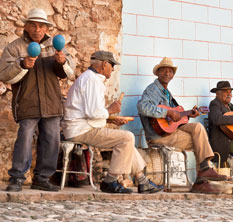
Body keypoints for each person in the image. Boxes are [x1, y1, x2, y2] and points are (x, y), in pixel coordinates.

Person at [63, 51, 161, 194]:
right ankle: (110, 180)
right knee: (127, 138)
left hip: (82, 127)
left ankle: (142, 180)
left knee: (126, 141)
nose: (113, 69)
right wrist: (110, 110)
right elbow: (93, 113)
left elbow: (89, 112)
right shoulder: (92, 80)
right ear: (104, 64)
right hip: (81, 130)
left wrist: (111, 119)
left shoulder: (90, 78)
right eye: (112, 65)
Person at [0, 8, 75, 192]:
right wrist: (21, 65)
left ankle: (42, 178)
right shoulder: (15, 47)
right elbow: (4, 75)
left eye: (41, 26)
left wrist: (62, 61)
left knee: (51, 140)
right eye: (33, 25)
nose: (37, 29)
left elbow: (70, 74)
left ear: (46, 28)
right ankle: (17, 178)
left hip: (51, 102)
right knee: (24, 139)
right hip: (27, 102)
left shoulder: (55, 46)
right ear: (26, 26)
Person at [137, 57, 227, 187]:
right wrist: (167, 113)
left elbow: (174, 118)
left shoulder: (167, 93)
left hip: (170, 132)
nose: (167, 73)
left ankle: (204, 171)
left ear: (173, 75)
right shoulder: (152, 90)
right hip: (159, 136)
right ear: (158, 73)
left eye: (170, 71)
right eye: (164, 70)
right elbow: (142, 107)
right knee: (199, 141)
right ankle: (203, 176)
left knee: (197, 127)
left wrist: (189, 114)